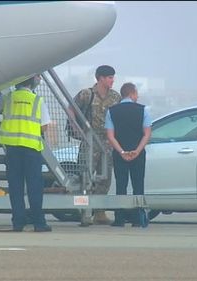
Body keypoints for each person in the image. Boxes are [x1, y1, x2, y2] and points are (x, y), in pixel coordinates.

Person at [0, 74, 52, 232]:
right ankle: (39, 223)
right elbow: (45, 126)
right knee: (34, 187)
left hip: (12, 149)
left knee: (16, 187)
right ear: (32, 82)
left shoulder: (9, 98)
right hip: (31, 148)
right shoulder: (37, 100)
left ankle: (18, 222)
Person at [68, 65, 121, 225]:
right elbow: (71, 108)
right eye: (110, 77)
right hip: (90, 142)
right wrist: (75, 127)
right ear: (101, 78)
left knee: (105, 179)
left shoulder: (115, 97)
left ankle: (100, 212)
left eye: (113, 77)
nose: (112, 80)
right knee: (85, 177)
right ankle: (84, 212)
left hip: (108, 142)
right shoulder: (87, 94)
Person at [105, 83, 152, 227]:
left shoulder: (111, 111)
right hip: (138, 153)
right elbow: (147, 134)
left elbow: (110, 136)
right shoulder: (143, 110)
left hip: (120, 154)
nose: (137, 97)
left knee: (121, 185)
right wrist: (137, 151)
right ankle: (138, 218)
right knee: (138, 185)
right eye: (136, 94)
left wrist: (122, 152)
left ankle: (120, 218)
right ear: (132, 93)